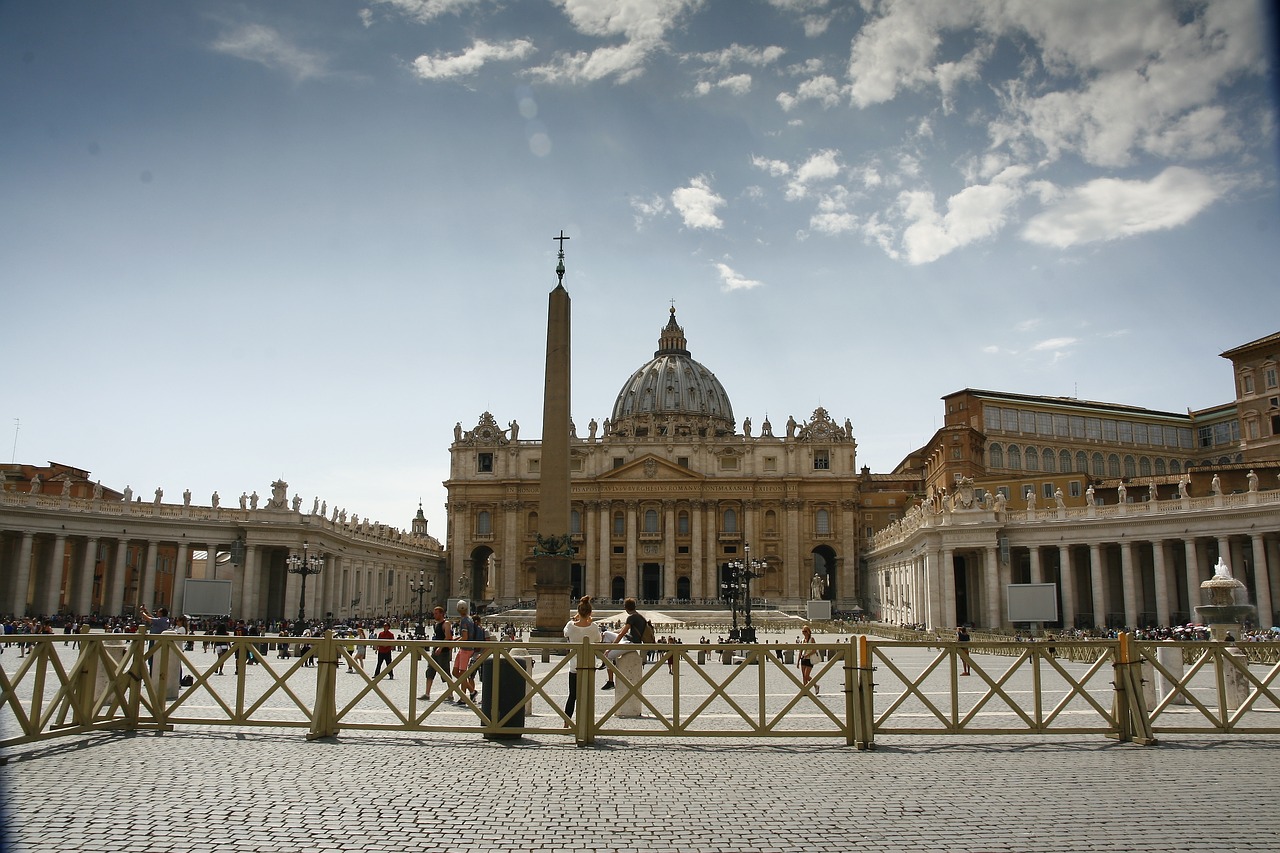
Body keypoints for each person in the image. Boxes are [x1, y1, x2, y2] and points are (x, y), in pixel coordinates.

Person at [563, 595, 598, 726]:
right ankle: (587, 724)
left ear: (578, 611)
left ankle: (566, 722)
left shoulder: (570, 626)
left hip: (574, 666)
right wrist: (588, 621)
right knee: (588, 696)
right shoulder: (594, 627)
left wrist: (575, 619)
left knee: (572, 695)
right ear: (590, 613)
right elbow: (598, 639)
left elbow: (565, 632)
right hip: (589, 665)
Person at [604, 598, 647, 690]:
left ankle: (610, 681)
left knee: (607, 656)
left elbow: (621, 633)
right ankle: (611, 662)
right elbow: (623, 633)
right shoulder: (640, 617)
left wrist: (610, 648)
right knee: (606, 634)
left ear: (625, 607)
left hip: (631, 643)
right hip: (628, 640)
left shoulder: (631, 617)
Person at [418, 605, 454, 701]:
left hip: (443, 652)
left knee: (445, 673)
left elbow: (448, 637)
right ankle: (427, 693)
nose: (434, 615)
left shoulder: (446, 623)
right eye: (434, 613)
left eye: (436, 613)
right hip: (435, 650)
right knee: (430, 671)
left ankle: (451, 694)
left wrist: (440, 648)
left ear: (442, 614)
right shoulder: (436, 624)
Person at [452, 600, 478, 705]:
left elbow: (465, 637)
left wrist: (454, 643)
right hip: (465, 648)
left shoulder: (463, 621)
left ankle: (468, 694)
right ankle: (470, 692)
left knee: (462, 674)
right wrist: (457, 639)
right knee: (455, 672)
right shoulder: (470, 619)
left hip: (465, 650)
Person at [797, 625, 818, 694]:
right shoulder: (803, 640)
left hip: (809, 659)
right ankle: (805, 691)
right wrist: (798, 661)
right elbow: (800, 651)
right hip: (803, 659)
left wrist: (807, 655)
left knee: (806, 675)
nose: (804, 633)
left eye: (805, 631)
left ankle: (815, 685)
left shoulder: (812, 639)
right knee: (803, 676)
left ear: (808, 632)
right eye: (803, 631)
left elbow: (814, 650)